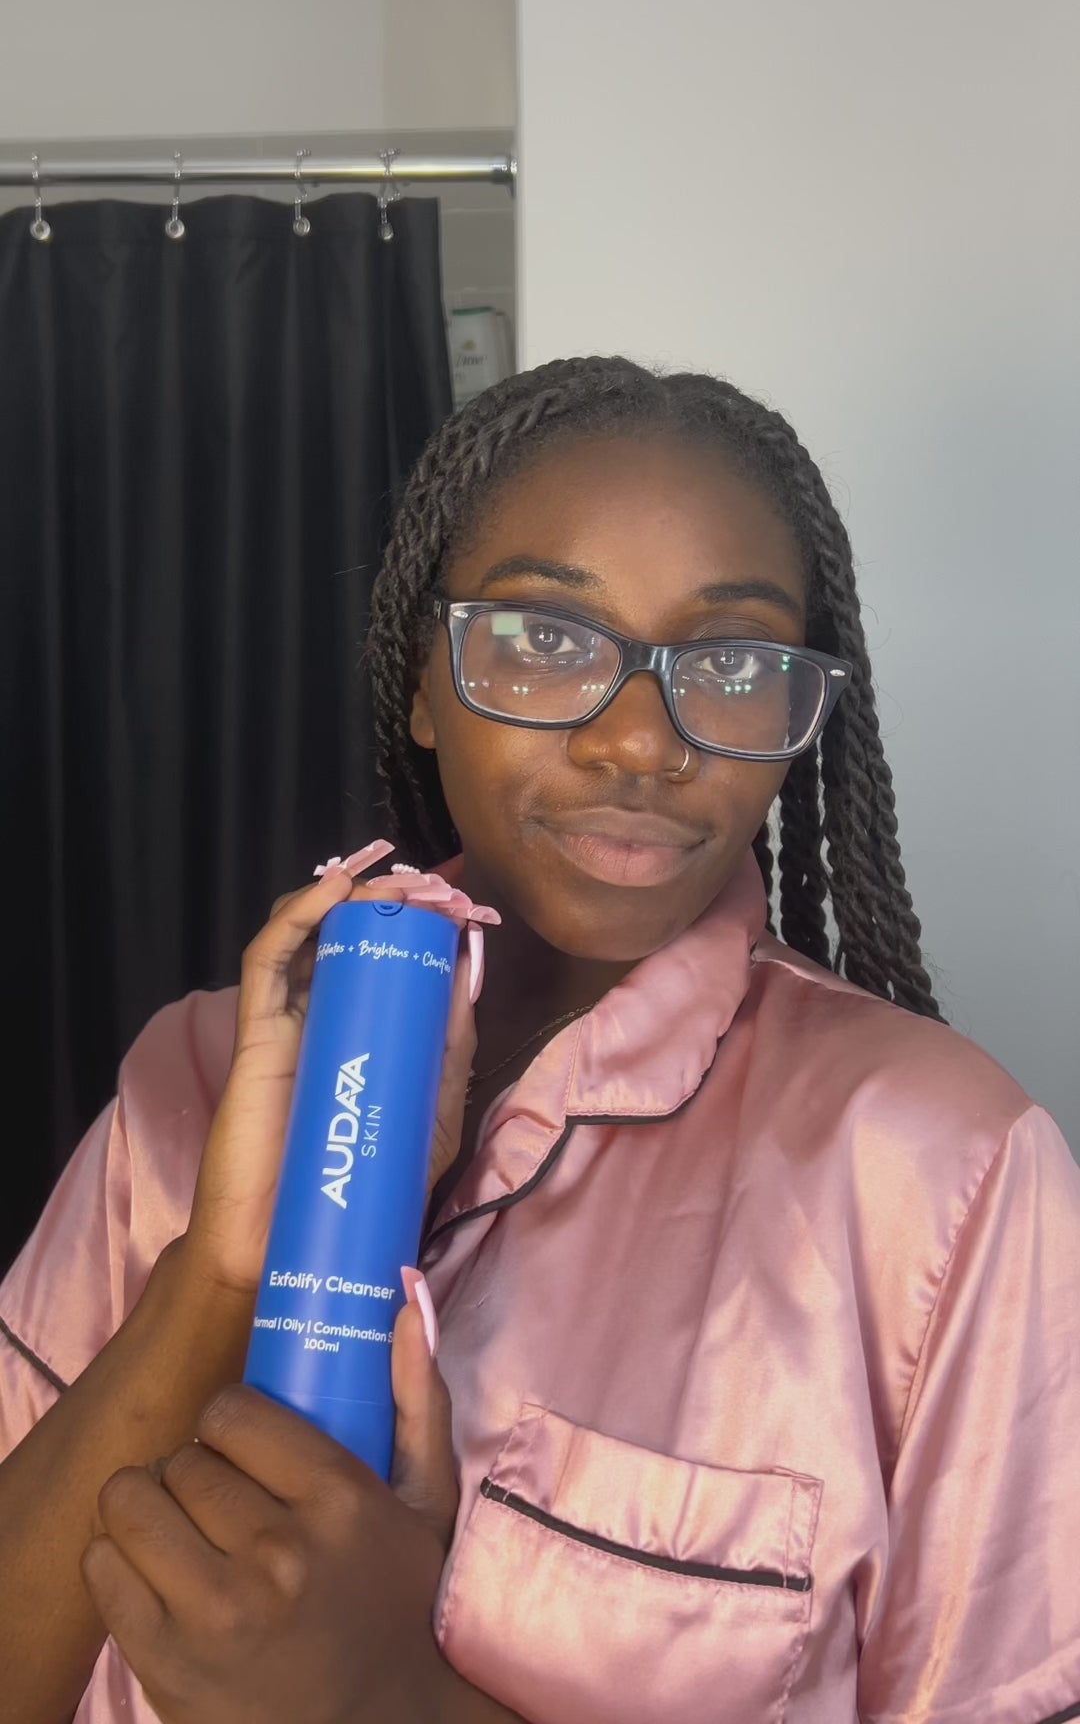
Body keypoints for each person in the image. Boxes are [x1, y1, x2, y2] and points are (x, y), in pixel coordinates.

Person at [1, 354, 1078, 1724]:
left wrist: (396, 1699)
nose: (641, 741)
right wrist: (218, 1272)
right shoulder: (199, 1075)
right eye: (549, 638)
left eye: (733, 660)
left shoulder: (947, 1171)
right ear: (423, 679)